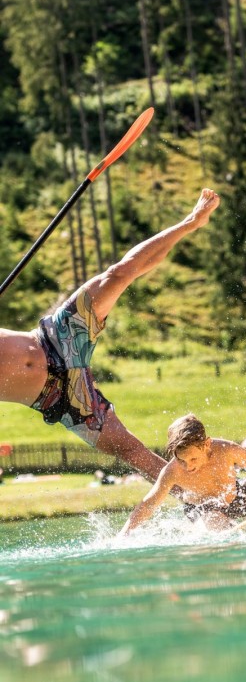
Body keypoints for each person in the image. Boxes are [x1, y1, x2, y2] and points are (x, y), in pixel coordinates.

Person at [1, 188, 220, 481]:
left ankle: (191, 222)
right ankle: (198, 499)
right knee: (134, 452)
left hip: (57, 338)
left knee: (119, 273)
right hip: (61, 399)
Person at [118, 413, 246, 535]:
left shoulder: (226, 449)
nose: (188, 466)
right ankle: (210, 528)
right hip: (204, 509)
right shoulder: (171, 471)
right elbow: (148, 504)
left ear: (206, 444)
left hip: (236, 495)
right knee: (216, 525)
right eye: (181, 460)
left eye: (193, 459)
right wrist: (124, 535)